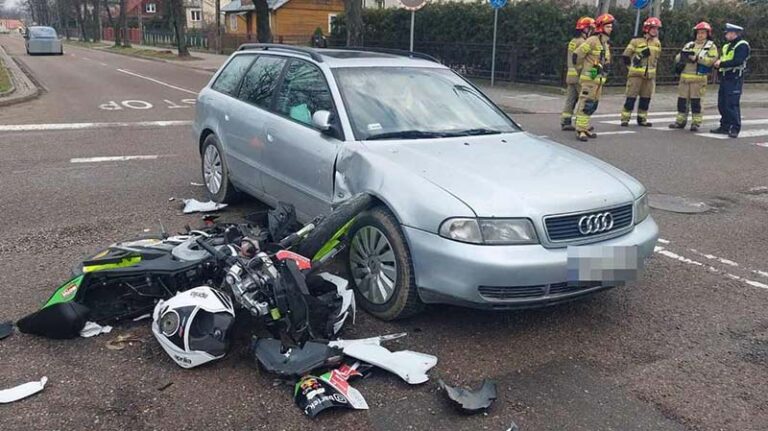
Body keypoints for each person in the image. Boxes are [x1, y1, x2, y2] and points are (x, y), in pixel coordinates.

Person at [668, 22, 718, 132]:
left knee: (697, 102)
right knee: (682, 101)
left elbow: (712, 61)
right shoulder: (689, 44)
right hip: (684, 78)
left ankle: (696, 123)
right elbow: (678, 57)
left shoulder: (711, 46)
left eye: (703, 33)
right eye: (698, 33)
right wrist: (683, 57)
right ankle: (680, 121)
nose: (700, 35)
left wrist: (697, 59)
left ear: (707, 34)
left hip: (698, 79)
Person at [573, 13, 614, 142]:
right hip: (590, 79)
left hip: (598, 80)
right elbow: (577, 55)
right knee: (586, 103)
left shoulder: (605, 43)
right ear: (601, 27)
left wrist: (605, 68)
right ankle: (580, 130)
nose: (611, 29)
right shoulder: (592, 40)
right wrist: (582, 70)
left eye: (611, 26)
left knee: (593, 105)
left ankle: (585, 127)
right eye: (608, 26)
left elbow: (605, 60)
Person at [619, 17, 662, 127]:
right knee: (631, 98)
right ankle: (625, 119)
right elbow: (625, 56)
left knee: (645, 99)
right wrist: (632, 65)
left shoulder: (657, 43)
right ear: (646, 29)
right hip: (635, 76)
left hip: (649, 77)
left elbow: (656, 59)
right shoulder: (636, 41)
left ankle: (642, 119)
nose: (655, 31)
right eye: (653, 28)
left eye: (657, 29)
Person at [712, 23, 751, 138]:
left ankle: (735, 127)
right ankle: (724, 126)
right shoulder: (727, 46)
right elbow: (725, 58)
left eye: (727, 33)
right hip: (725, 77)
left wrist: (721, 64)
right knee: (722, 103)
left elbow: (738, 61)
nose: (726, 35)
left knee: (732, 104)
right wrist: (718, 66)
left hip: (735, 78)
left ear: (734, 33)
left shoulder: (742, 45)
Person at [561, 17, 595, 131]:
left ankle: (565, 122)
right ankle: (582, 124)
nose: (591, 31)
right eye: (590, 28)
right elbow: (581, 59)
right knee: (585, 99)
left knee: (570, 100)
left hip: (570, 75)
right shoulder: (582, 42)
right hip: (579, 75)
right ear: (585, 29)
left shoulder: (573, 41)